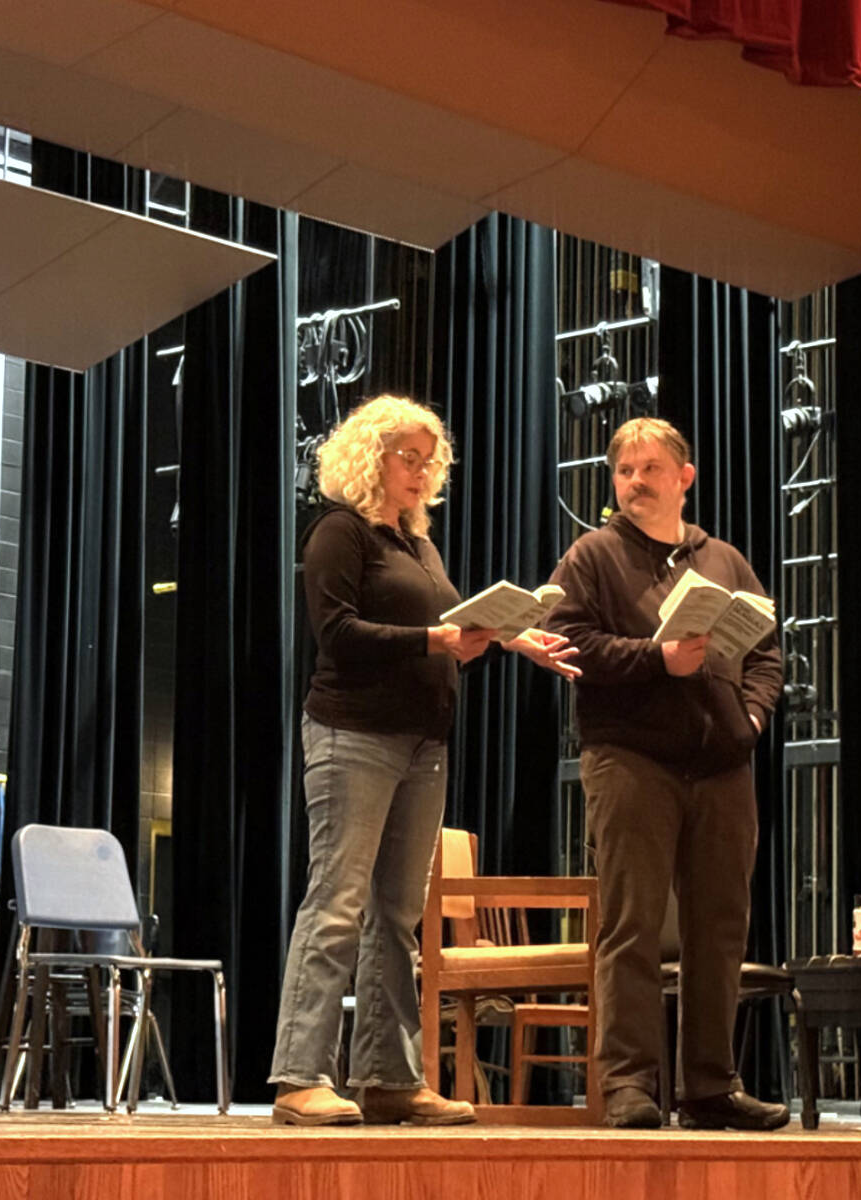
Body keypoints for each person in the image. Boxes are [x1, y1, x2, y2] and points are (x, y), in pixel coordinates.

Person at [269, 394, 580, 1126]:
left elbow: (446, 630)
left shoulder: (420, 547)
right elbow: (338, 634)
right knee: (337, 903)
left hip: (423, 742)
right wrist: (436, 641)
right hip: (354, 736)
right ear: (370, 456)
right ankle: (299, 1075)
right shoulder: (340, 532)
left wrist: (506, 639)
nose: (420, 471)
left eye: (428, 460)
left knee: (398, 916)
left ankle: (387, 1077)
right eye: (407, 457)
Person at [544, 416, 788, 1131]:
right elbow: (565, 642)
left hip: (722, 765)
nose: (635, 482)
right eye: (624, 471)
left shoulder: (724, 560)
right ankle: (628, 1084)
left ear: (685, 477)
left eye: (650, 469)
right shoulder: (593, 555)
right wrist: (659, 659)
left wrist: (751, 719)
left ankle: (710, 1086)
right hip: (631, 758)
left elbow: (767, 652)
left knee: (720, 927)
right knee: (633, 924)